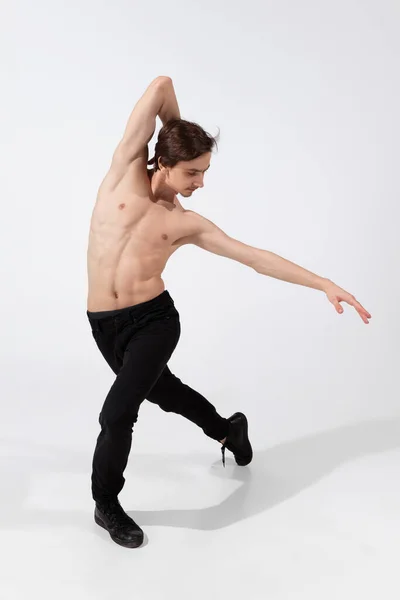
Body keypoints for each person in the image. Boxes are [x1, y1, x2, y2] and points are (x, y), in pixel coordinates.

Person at [86, 76, 371, 549]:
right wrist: (176, 130)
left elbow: (254, 257)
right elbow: (161, 85)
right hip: (103, 324)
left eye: (204, 173)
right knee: (168, 395)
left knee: (118, 415)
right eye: (193, 172)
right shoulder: (122, 171)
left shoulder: (186, 224)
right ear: (165, 161)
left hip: (154, 323)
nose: (200, 183)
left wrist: (323, 283)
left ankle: (105, 502)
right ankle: (228, 430)